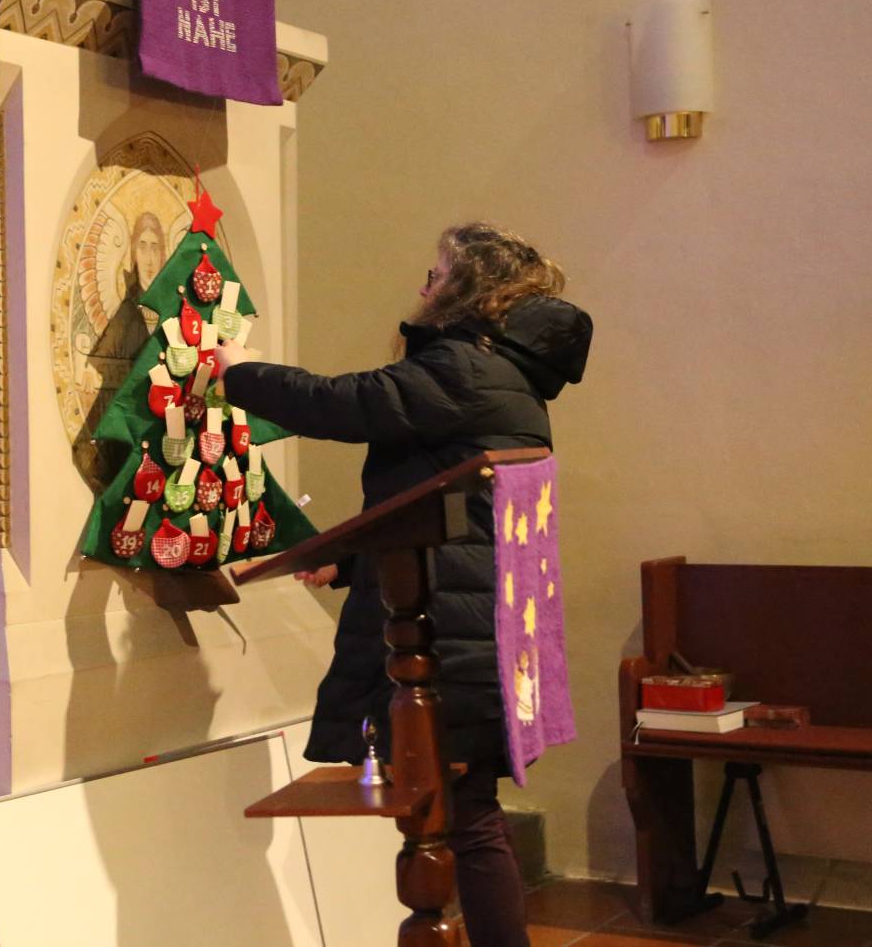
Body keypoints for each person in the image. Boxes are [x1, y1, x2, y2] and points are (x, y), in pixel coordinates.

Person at [216, 222, 593, 947]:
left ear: (466, 291)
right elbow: (448, 509)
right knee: (468, 816)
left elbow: (345, 404)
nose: (422, 288)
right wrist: (353, 561)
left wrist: (240, 372)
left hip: (450, 642)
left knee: (465, 822)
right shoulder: (499, 376)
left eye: (436, 275)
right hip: (473, 628)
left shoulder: (465, 369)